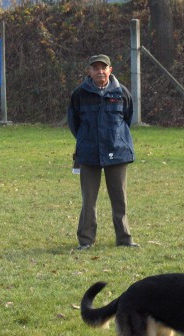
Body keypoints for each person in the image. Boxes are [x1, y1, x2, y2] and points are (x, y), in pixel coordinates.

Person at [68, 54, 139, 250]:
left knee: (119, 199)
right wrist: (87, 139)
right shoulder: (79, 94)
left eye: (103, 67)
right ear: (89, 71)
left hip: (117, 152)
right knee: (88, 200)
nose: (100, 71)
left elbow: (127, 118)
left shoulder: (121, 92)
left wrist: (115, 139)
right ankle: (86, 240)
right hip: (88, 153)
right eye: (95, 68)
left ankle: (124, 239)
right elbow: (74, 123)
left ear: (110, 70)